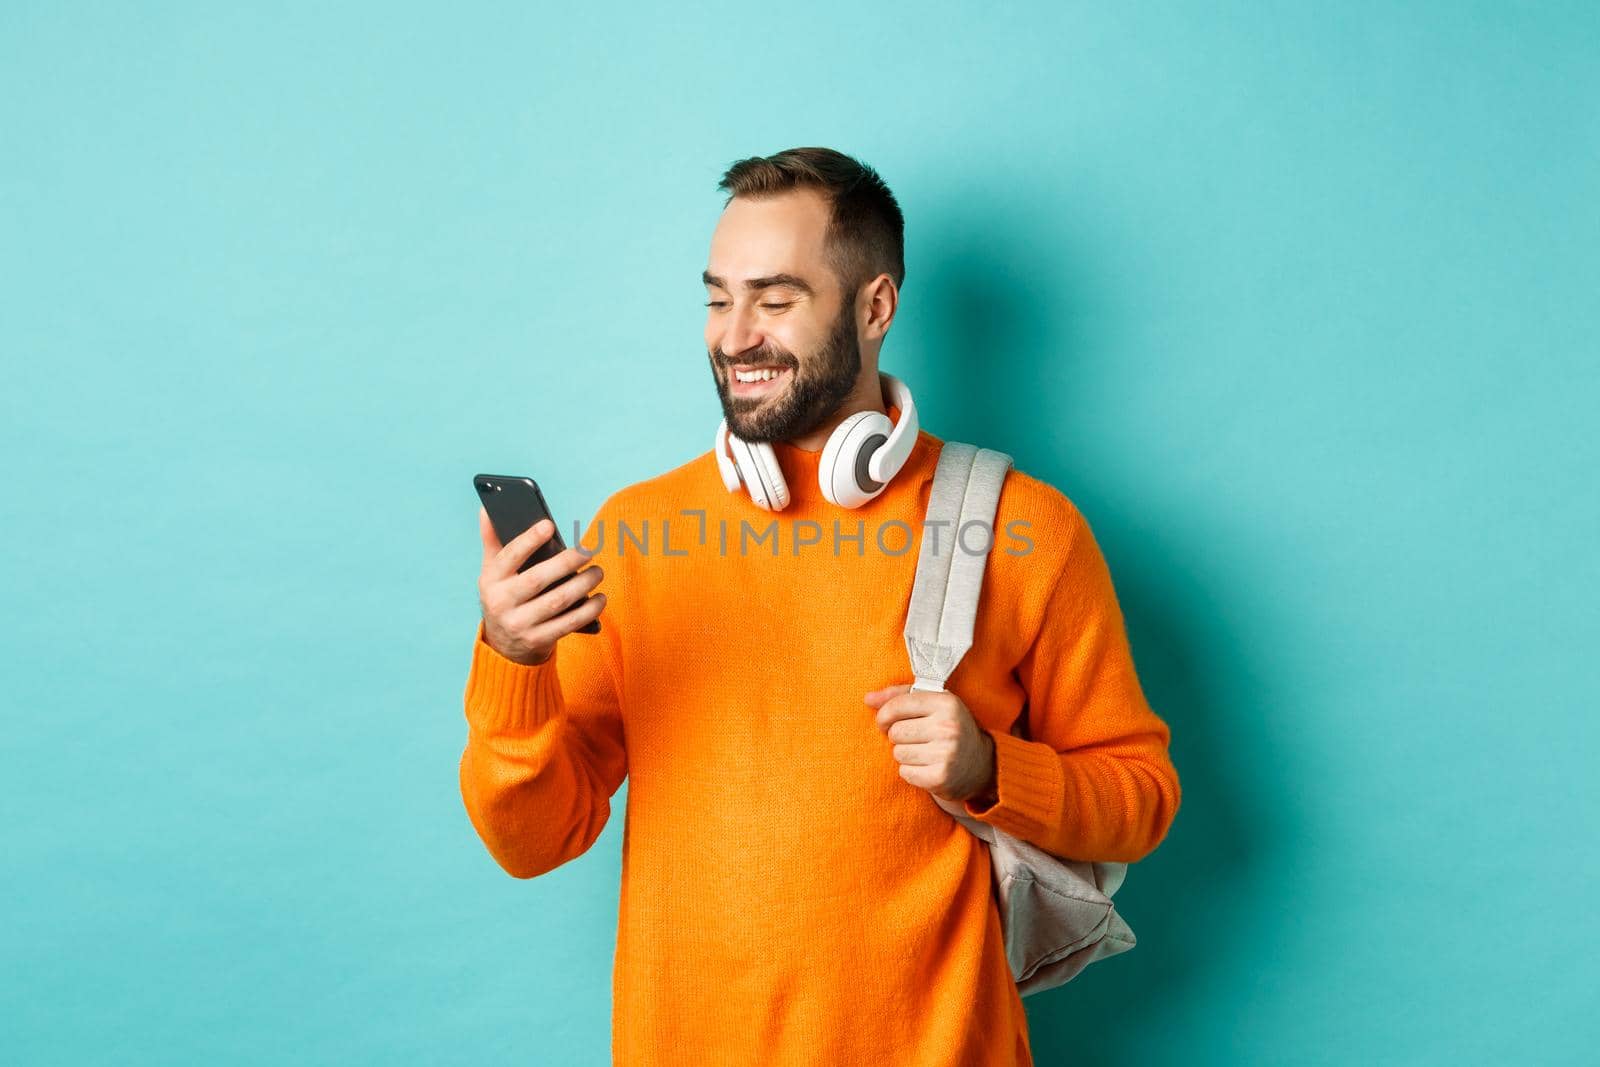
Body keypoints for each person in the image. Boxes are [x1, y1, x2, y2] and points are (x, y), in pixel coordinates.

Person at [461, 146, 1181, 1067]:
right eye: (718, 298)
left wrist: (992, 765)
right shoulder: (640, 531)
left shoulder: (1022, 527)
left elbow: (1142, 798)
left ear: (875, 306)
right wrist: (513, 660)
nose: (734, 334)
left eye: (775, 297)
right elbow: (533, 840)